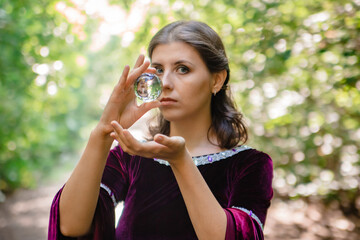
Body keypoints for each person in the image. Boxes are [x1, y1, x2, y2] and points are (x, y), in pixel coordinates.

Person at [48, 20, 273, 240]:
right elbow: (71, 226)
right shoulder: (131, 156)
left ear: (216, 80)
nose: (164, 82)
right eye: (158, 69)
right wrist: (104, 133)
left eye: (182, 69)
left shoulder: (251, 165)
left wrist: (180, 160)